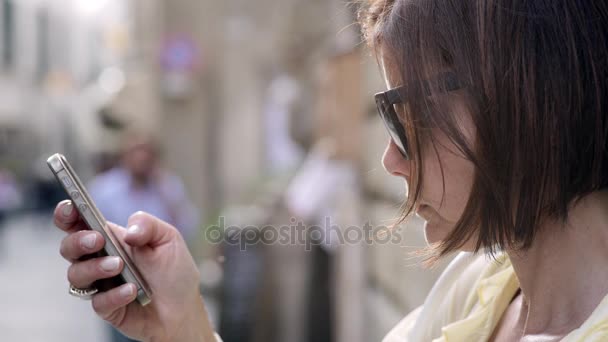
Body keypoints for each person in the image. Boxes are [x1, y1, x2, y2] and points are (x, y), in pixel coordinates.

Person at [52, 1, 608, 341]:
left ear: (529, 103)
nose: (391, 160)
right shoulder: (482, 290)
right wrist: (182, 324)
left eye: (405, 120)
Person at [88, 131, 199, 342]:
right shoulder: (104, 189)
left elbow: (188, 228)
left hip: (160, 285)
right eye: (134, 151)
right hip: (119, 284)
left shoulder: (168, 186)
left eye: (146, 151)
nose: (140, 157)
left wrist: (165, 190)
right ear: (124, 155)